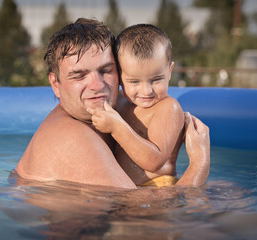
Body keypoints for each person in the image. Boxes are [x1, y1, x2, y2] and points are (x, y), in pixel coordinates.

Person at [15, 18, 210, 189]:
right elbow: (141, 213)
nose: (97, 85)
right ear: (55, 84)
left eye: (105, 70)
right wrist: (199, 164)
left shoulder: (109, 113)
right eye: (79, 75)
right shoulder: (73, 138)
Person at [87, 24, 183, 187]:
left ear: (170, 71)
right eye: (134, 81)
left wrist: (117, 127)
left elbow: (154, 161)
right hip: (128, 189)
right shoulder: (121, 102)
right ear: (118, 76)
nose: (146, 91)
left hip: (157, 188)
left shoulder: (168, 108)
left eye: (156, 79)